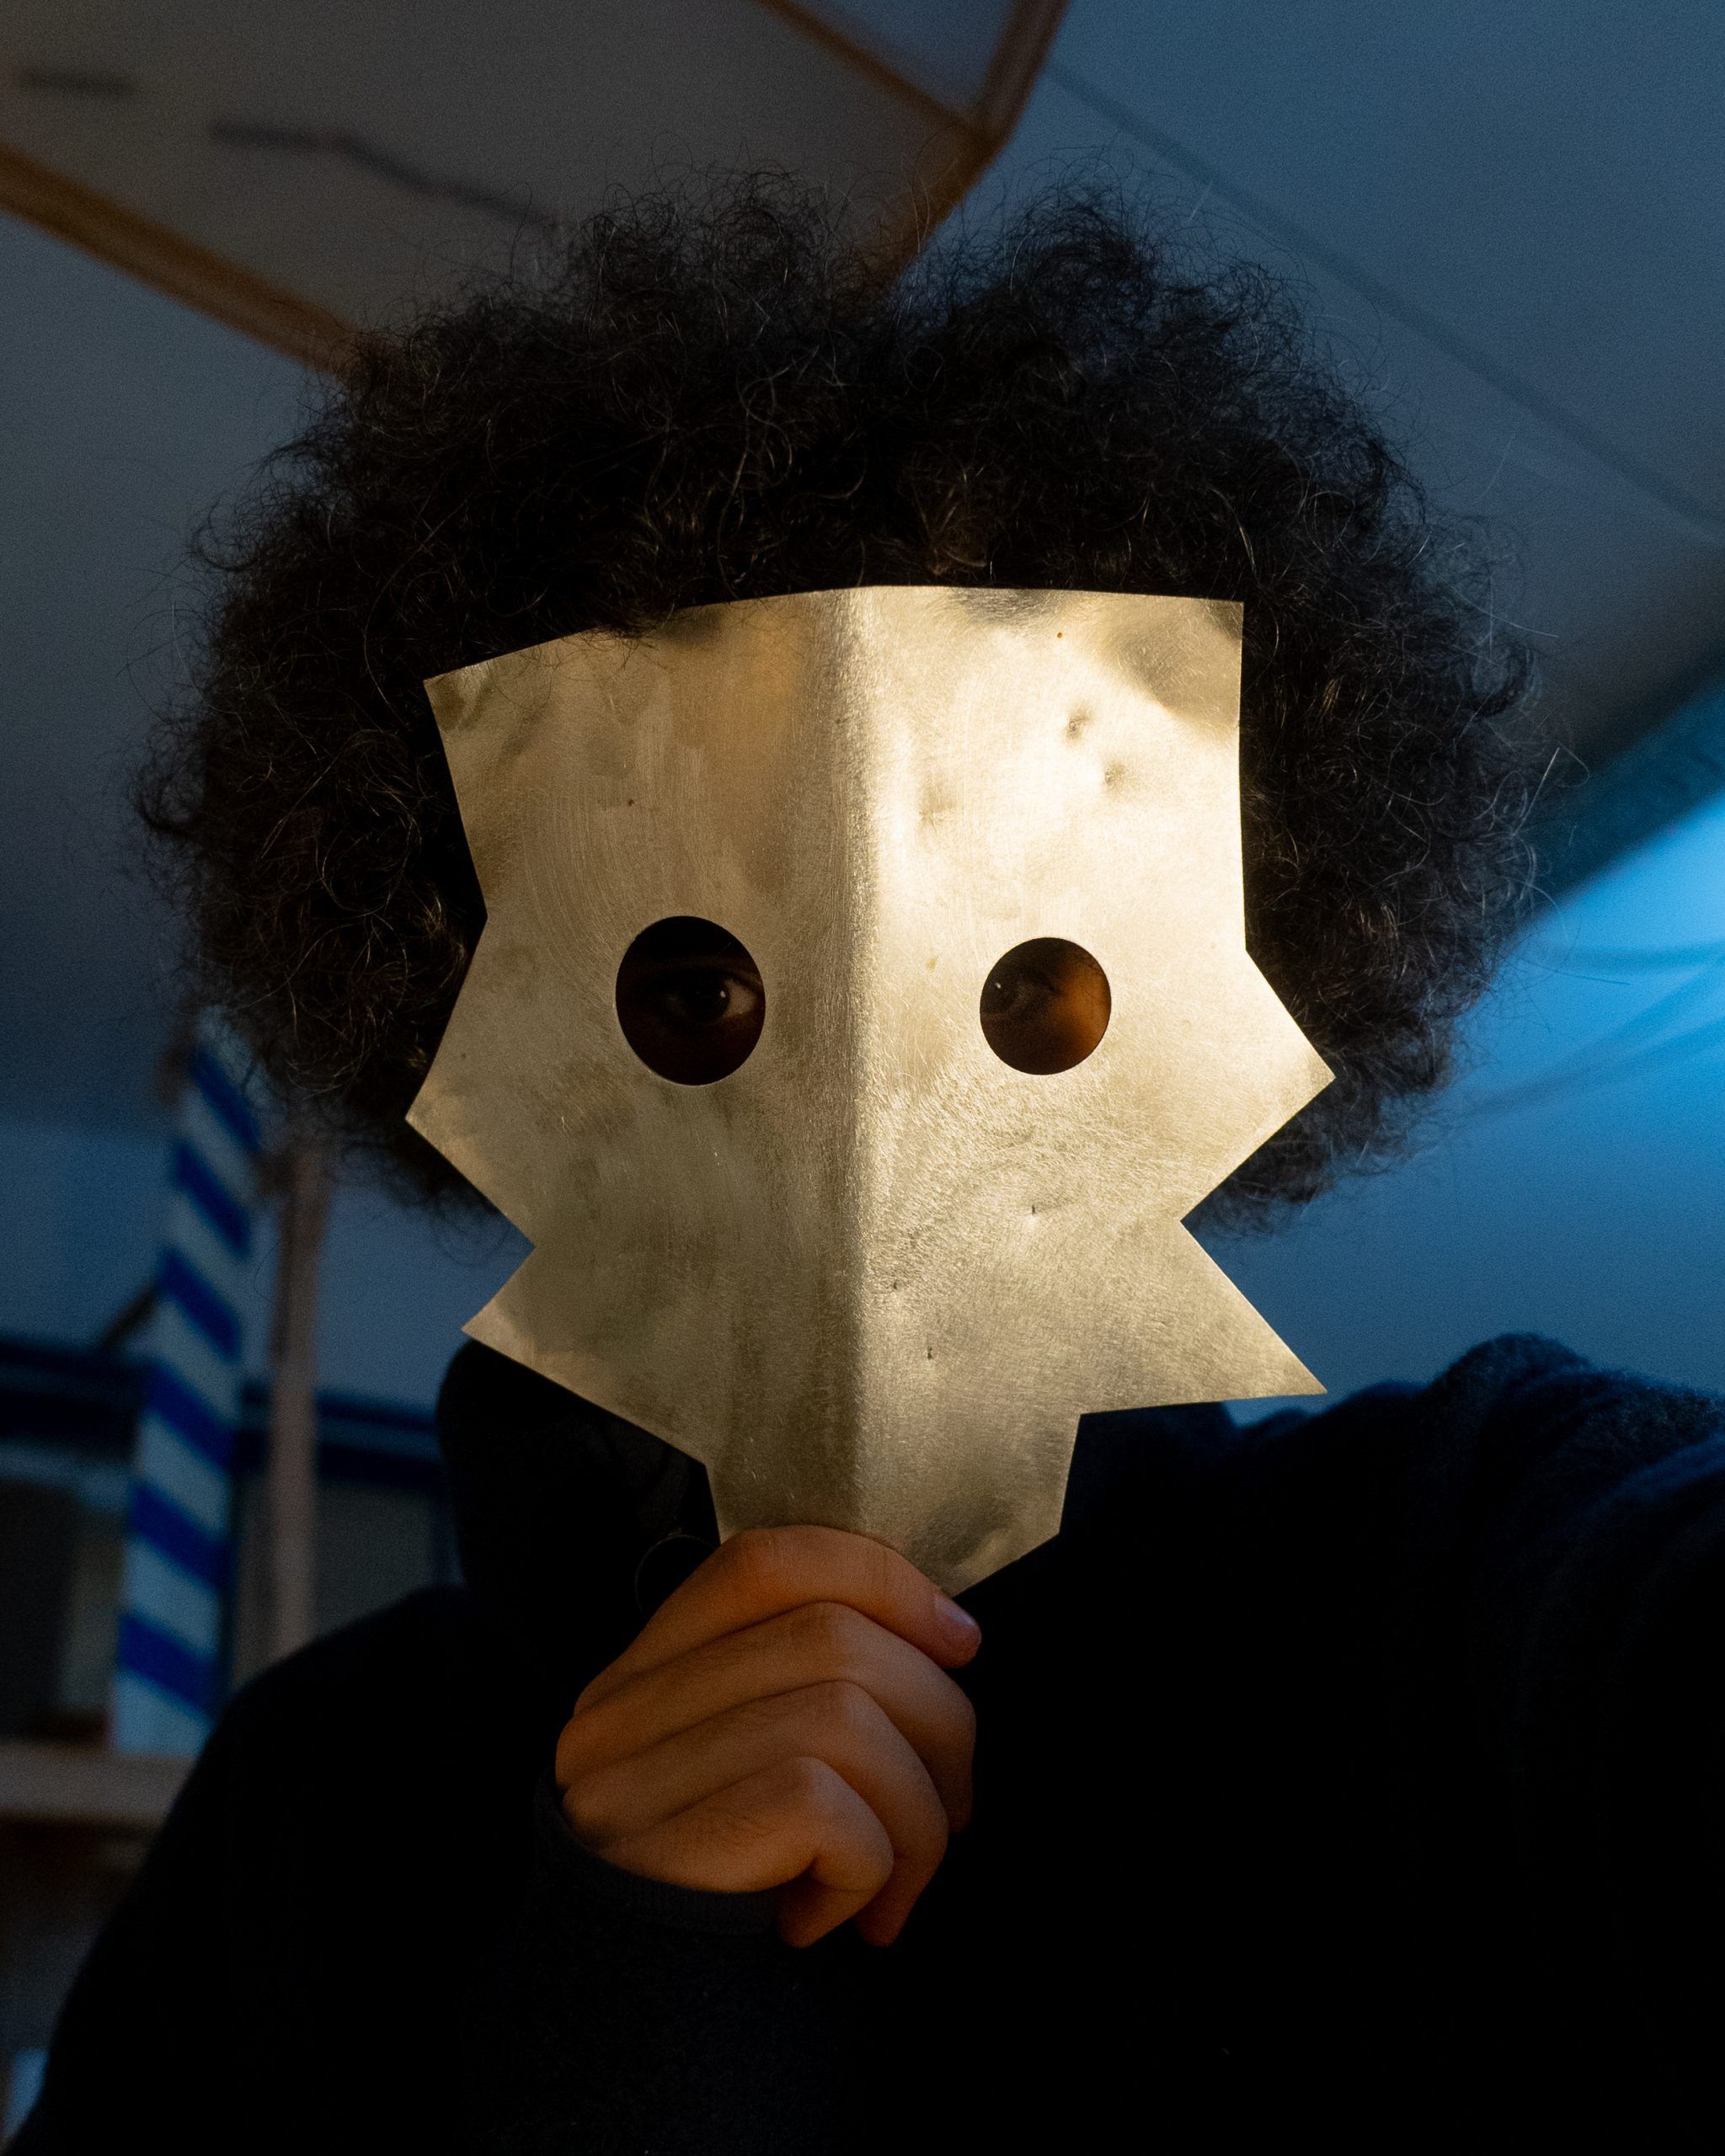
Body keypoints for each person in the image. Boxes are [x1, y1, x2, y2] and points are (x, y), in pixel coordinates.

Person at [20, 184, 1725, 2153]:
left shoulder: (1462, 1588)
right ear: (447, 985)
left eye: (1034, 991)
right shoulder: (316, 1812)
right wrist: (615, 2015)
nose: (862, 1117)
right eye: (690, 991)